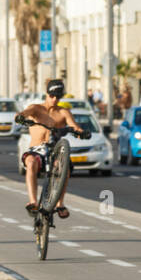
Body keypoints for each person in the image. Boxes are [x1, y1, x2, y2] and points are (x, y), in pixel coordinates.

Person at [17, 79, 87, 220]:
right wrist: (20, 117)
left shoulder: (63, 112)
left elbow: (74, 126)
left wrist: (81, 132)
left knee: (64, 167)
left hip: (54, 150)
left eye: (58, 97)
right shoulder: (36, 108)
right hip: (37, 150)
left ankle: (59, 204)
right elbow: (24, 113)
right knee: (31, 163)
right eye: (52, 96)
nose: (55, 99)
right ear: (47, 94)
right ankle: (33, 201)